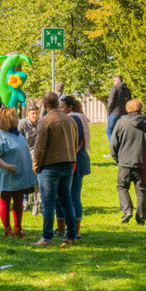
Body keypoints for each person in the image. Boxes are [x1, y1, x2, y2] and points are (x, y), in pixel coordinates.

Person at [31, 92, 78, 246]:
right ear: (58, 103)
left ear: (45, 105)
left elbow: (39, 147)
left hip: (50, 165)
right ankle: (71, 235)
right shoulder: (70, 120)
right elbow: (75, 142)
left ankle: (47, 237)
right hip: (68, 163)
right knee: (67, 200)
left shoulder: (45, 121)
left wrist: (36, 165)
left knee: (49, 203)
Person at [0, 107, 38, 237]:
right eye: (15, 116)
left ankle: (18, 229)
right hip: (6, 174)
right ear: (7, 119)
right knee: (5, 199)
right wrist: (6, 166)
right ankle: (8, 230)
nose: (18, 119)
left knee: (18, 199)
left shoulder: (17, 134)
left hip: (20, 174)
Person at [110, 99, 146, 224]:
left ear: (128, 108)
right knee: (141, 191)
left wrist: (117, 159)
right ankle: (141, 218)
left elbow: (114, 144)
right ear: (141, 108)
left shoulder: (121, 122)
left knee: (122, 187)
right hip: (142, 162)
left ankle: (127, 210)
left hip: (125, 162)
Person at [55, 95, 91, 239]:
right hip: (81, 159)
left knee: (65, 196)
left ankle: (65, 230)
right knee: (74, 196)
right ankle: (75, 230)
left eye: (62, 107)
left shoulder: (71, 119)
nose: (60, 110)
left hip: (71, 160)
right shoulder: (81, 117)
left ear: (70, 107)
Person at [106, 75, 132, 151]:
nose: (113, 83)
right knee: (121, 133)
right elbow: (130, 102)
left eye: (114, 81)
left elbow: (111, 101)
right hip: (125, 113)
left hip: (115, 113)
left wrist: (109, 111)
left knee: (109, 131)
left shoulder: (115, 88)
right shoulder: (127, 90)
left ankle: (114, 150)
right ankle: (122, 149)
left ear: (117, 81)